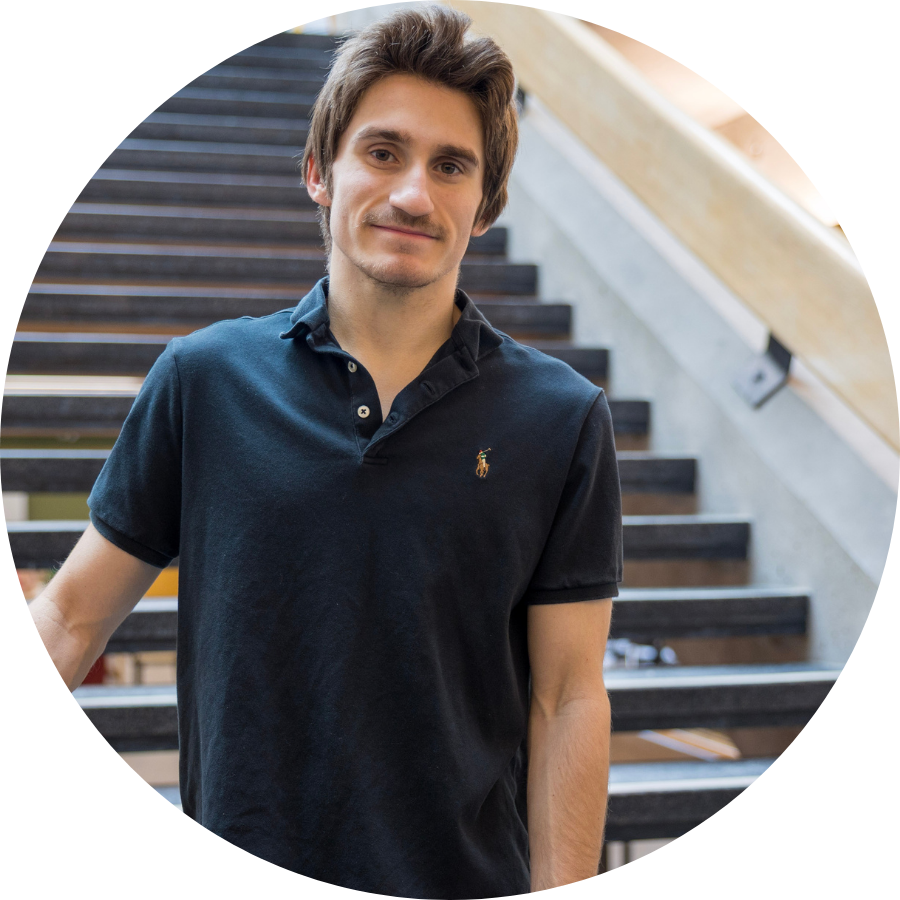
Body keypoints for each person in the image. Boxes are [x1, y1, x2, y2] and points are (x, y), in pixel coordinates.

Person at [29, 6, 623, 897]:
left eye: (450, 166)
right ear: (320, 171)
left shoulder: (564, 419)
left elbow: (568, 697)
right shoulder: (203, 381)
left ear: (486, 205)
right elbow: (71, 618)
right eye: (383, 152)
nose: (414, 194)